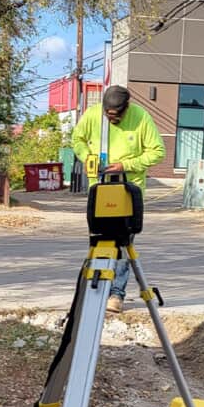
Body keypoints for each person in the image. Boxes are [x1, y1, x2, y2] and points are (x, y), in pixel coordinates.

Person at [72, 85, 165, 313]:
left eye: (116, 115)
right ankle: (94, 291)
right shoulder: (93, 115)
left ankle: (116, 295)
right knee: (99, 241)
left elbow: (157, 151)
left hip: (128, 191)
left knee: (123, 245)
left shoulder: (141, 117)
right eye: (108, 114)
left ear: (126, 109)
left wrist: (126, 165)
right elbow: (77, 139)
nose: (111, 118)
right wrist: (87, 157)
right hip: (100, 191)